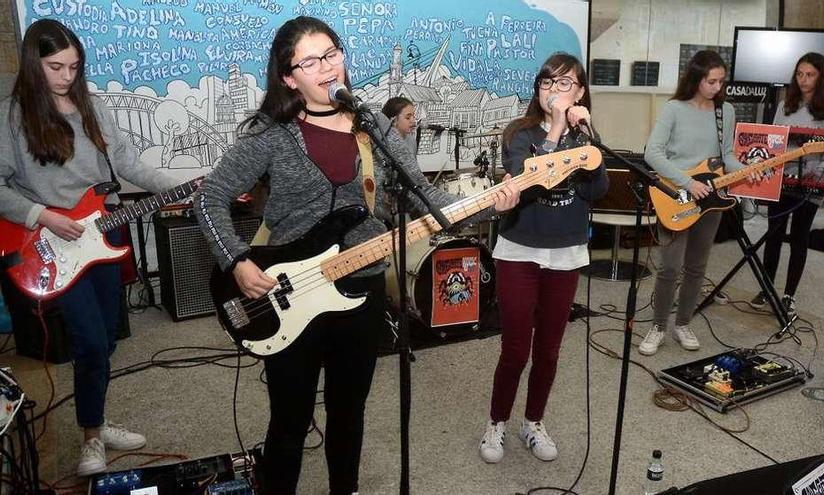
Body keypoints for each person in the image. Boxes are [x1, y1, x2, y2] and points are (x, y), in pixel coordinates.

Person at [193, 16, 520, 494]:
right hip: (290, 294)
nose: (327, 67)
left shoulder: (374, 126)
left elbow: (430, 199)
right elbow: (209, 198)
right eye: (311, 61)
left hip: (362, 290)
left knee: (349, 415)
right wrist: (238, 260)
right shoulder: (271, 133)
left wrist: (493, 199)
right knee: (290, 421)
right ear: (289, 76)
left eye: (332, 54)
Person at [0, 19, 181, 476]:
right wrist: (42, 216)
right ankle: (91, 440)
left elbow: (127, 164)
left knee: (106, 339)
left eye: (74, 67)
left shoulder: (93, 108)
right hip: (50, 242)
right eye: (55, 66)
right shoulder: (10, 117)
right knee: (88, 340)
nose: (67, 77)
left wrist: (183, 186)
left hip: (105, 233)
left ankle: (96, 418)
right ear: (32, 64)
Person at [478, 52, 608, 464]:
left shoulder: (585, 137)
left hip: (566, 253)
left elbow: (597, 190)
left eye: (565, 83)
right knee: (516, 347)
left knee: (549, 350)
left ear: (581, 92)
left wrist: (583, 135)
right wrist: (554, 129)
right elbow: (527, 183)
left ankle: (533, 422)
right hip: (519, 251)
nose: (554, 90)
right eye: (547, 82)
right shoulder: (520, 133)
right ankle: (496, 422)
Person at [638, 50, 760, 356]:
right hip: (677, 195)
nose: (717, 87)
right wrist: (687, 182)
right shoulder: (674, 110)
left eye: (721, 81)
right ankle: (658, 326)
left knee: (696, 266)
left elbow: (727, 156)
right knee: (669, 266)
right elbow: (653, 154)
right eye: (711, 81)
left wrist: (748, 171)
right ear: (695, 79)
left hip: (712, 200)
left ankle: (682, 322)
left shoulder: (725, 112)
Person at [749, 52, 824, 317]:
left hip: (811, 183)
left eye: (809, 74)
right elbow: (774, 141)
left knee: (800, 237)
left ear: (820, 77)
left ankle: (789, 295)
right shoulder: (785, 104)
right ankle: (766, 288)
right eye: (799, 74)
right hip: (782, 179)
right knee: (774, 234)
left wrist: (820, 179)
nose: (803, 79)